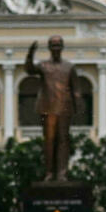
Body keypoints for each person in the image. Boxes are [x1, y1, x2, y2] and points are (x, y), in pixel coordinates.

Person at [24, 36, 81, 181]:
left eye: (58, 46)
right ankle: (49, 172)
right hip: (47, 107)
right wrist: (30, 54)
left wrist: (78, 103)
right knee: (49, 140)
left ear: (62, 47)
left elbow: (76, 88)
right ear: (49, 48)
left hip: (64, 107)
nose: (56, 49)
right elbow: (29, 70)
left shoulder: (69, 67)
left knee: (63, 140)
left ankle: (62, 172)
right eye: (53, 46)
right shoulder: (43, 66)